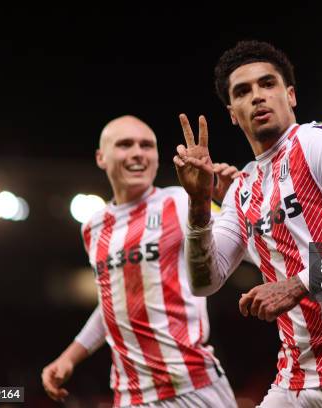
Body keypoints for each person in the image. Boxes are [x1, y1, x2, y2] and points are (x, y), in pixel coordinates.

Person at [173, 41, 322, 407]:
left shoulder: (317, 142)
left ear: (290, 95)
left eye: (267, 84)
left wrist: (296, 285)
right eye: (243, 91)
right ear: (232, 113)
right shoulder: (242, 187)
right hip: (295, 378)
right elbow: (205, 280)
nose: (257, 97)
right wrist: (198, 205)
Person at [42, 115, 239, 408]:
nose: (137, 152)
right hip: (129, 395)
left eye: (146, 145)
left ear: (158, 158)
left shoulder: (182, 201)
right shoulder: (93, 227)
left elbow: (249, 239)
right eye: (125, 144)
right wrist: (70, 357)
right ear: (101, 157)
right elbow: (114, 302)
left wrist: (234, 200)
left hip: (192, 387)